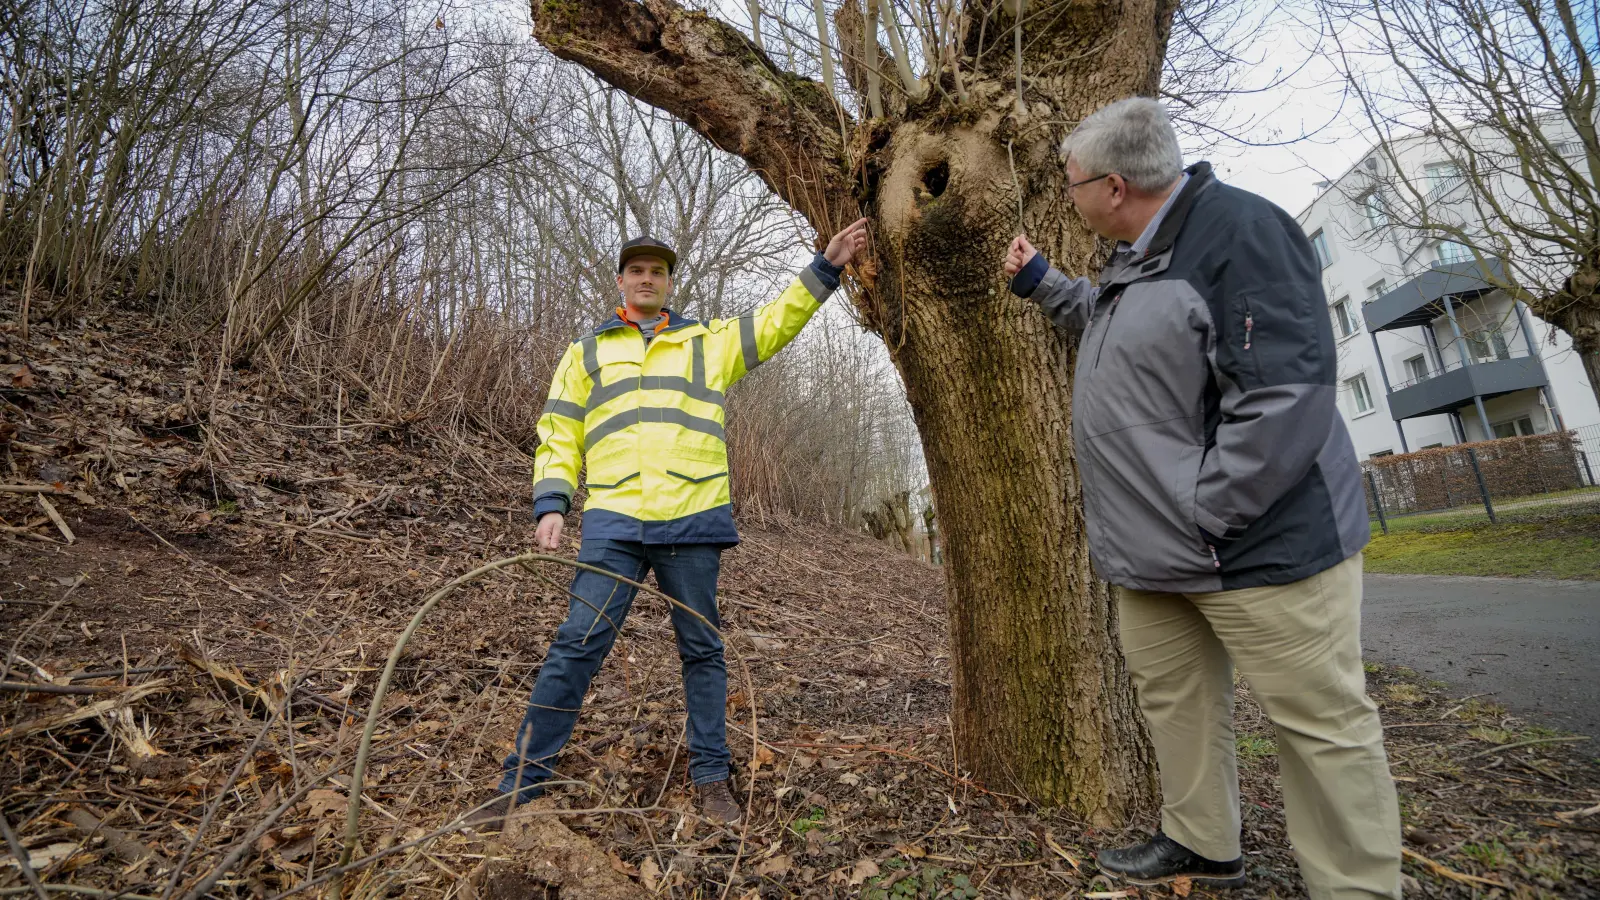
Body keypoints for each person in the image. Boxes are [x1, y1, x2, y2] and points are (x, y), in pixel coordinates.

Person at [1001, 97, 1401, 899]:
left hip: (1254, 548)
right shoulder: (1141, 253)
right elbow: (1134, 335)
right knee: (1175, 700)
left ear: (1114, 187)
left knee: (1320, 725)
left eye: (1072, 181)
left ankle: (1355, 886)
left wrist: (1205, 512)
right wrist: (1047, 284)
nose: (1066, 192)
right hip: (1158, 557)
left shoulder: (1241, 234)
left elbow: (1284, 400)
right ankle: (1203, 843)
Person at [465, 219, 869, 830]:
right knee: (576, 644)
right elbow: (558, 430)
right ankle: (519, 781)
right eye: (637, 271)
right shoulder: (586, 352)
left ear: (669, 282)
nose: (646, 279)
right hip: (613, 522)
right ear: (621, 282)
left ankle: (711, 777)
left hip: (691, 522)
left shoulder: (706, 342)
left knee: (701, 649)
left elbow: (775, 321)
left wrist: (827, 266)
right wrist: (552, 503)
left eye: (657, 271)